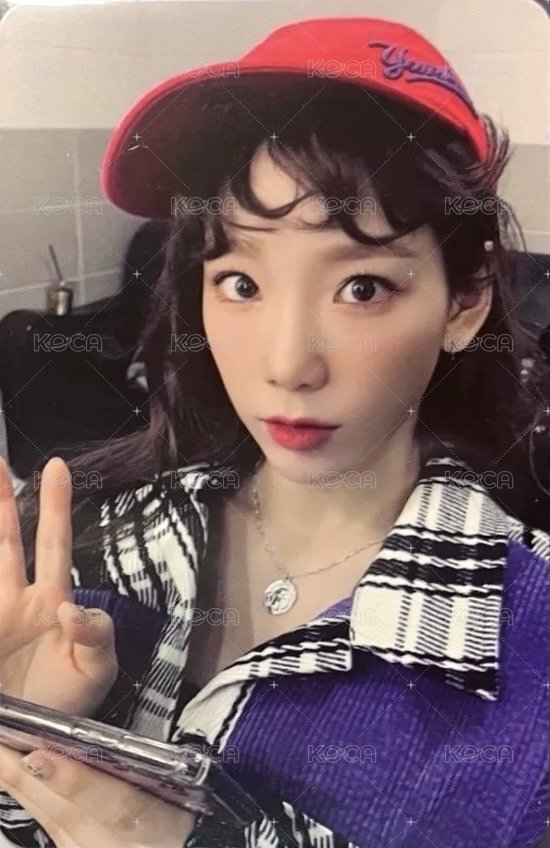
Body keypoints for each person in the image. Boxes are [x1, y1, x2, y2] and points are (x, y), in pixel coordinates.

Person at [0, 15, 548, 848]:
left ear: (464, 303)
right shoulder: (87, 548)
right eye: (241, 283)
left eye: (363, 287)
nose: (288, 364)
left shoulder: (528, 647)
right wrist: (26, 742)